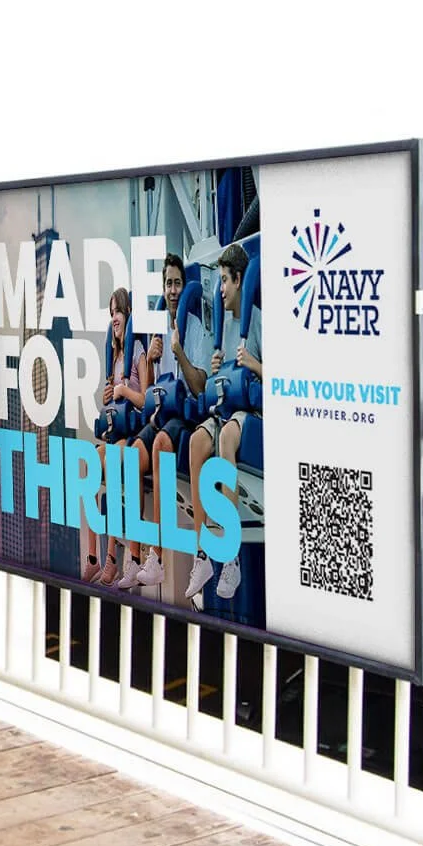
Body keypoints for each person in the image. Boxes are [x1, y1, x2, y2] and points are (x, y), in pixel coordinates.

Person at [118, 253, 210, 590]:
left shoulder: (196, 328)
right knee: (131, 457)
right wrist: (153, 361)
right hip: (162, 414)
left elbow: (199, 386)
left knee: (159, 444)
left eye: (177, 283)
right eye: (168, 284)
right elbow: (153, 392)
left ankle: (157, 556)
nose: (173, 290)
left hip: (186, 416)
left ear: (184, 287)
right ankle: (135, 556)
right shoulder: (157, 331)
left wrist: (178, 351)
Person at [185, 242, 263, 601]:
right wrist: (217, 369)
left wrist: (253, 364)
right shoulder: (219, 332)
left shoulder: (258, 322)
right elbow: (210, 388)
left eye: (225, 282)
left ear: (239, 280)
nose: (220, 289)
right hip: (224, 409)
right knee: (197, 442)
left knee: (227, 437)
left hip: (250, 413)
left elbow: (282, 382)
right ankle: (202, 553)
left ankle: (231, 556)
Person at [84, 287, 147, 585]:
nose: (115, 318)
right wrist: (109, 394)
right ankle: (92, 557)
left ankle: (112, 557)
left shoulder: (138, 352)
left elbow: (145, 399)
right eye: (111, 314)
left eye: (118, 311)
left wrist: (124, 391)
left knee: (111, 462)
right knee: (90, 465)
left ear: (128, 313)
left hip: (131, 431)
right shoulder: (115, 356)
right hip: (114, 429)